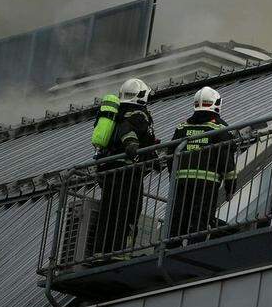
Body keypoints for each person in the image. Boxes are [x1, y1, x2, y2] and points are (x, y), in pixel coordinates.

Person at [93, 78, 159, 258]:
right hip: (128, 172)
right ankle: (120, 252)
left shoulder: (117, 113)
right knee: (128, 209)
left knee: (109, 211)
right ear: (141, 96)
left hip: (108, 169)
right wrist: (133, 145)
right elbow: (128, 132)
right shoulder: (138, 114)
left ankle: (101, 251)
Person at [167, 87, 237, 243]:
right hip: (207, 182)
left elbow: (170, 154)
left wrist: (174, 177)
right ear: (216, 104)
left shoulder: (182, 128)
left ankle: (170, 247)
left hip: (182, 182)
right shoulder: (220, 129)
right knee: (200, 218)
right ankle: (194, 248)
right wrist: (230, 187)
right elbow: (227, 161)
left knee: (178, 217)